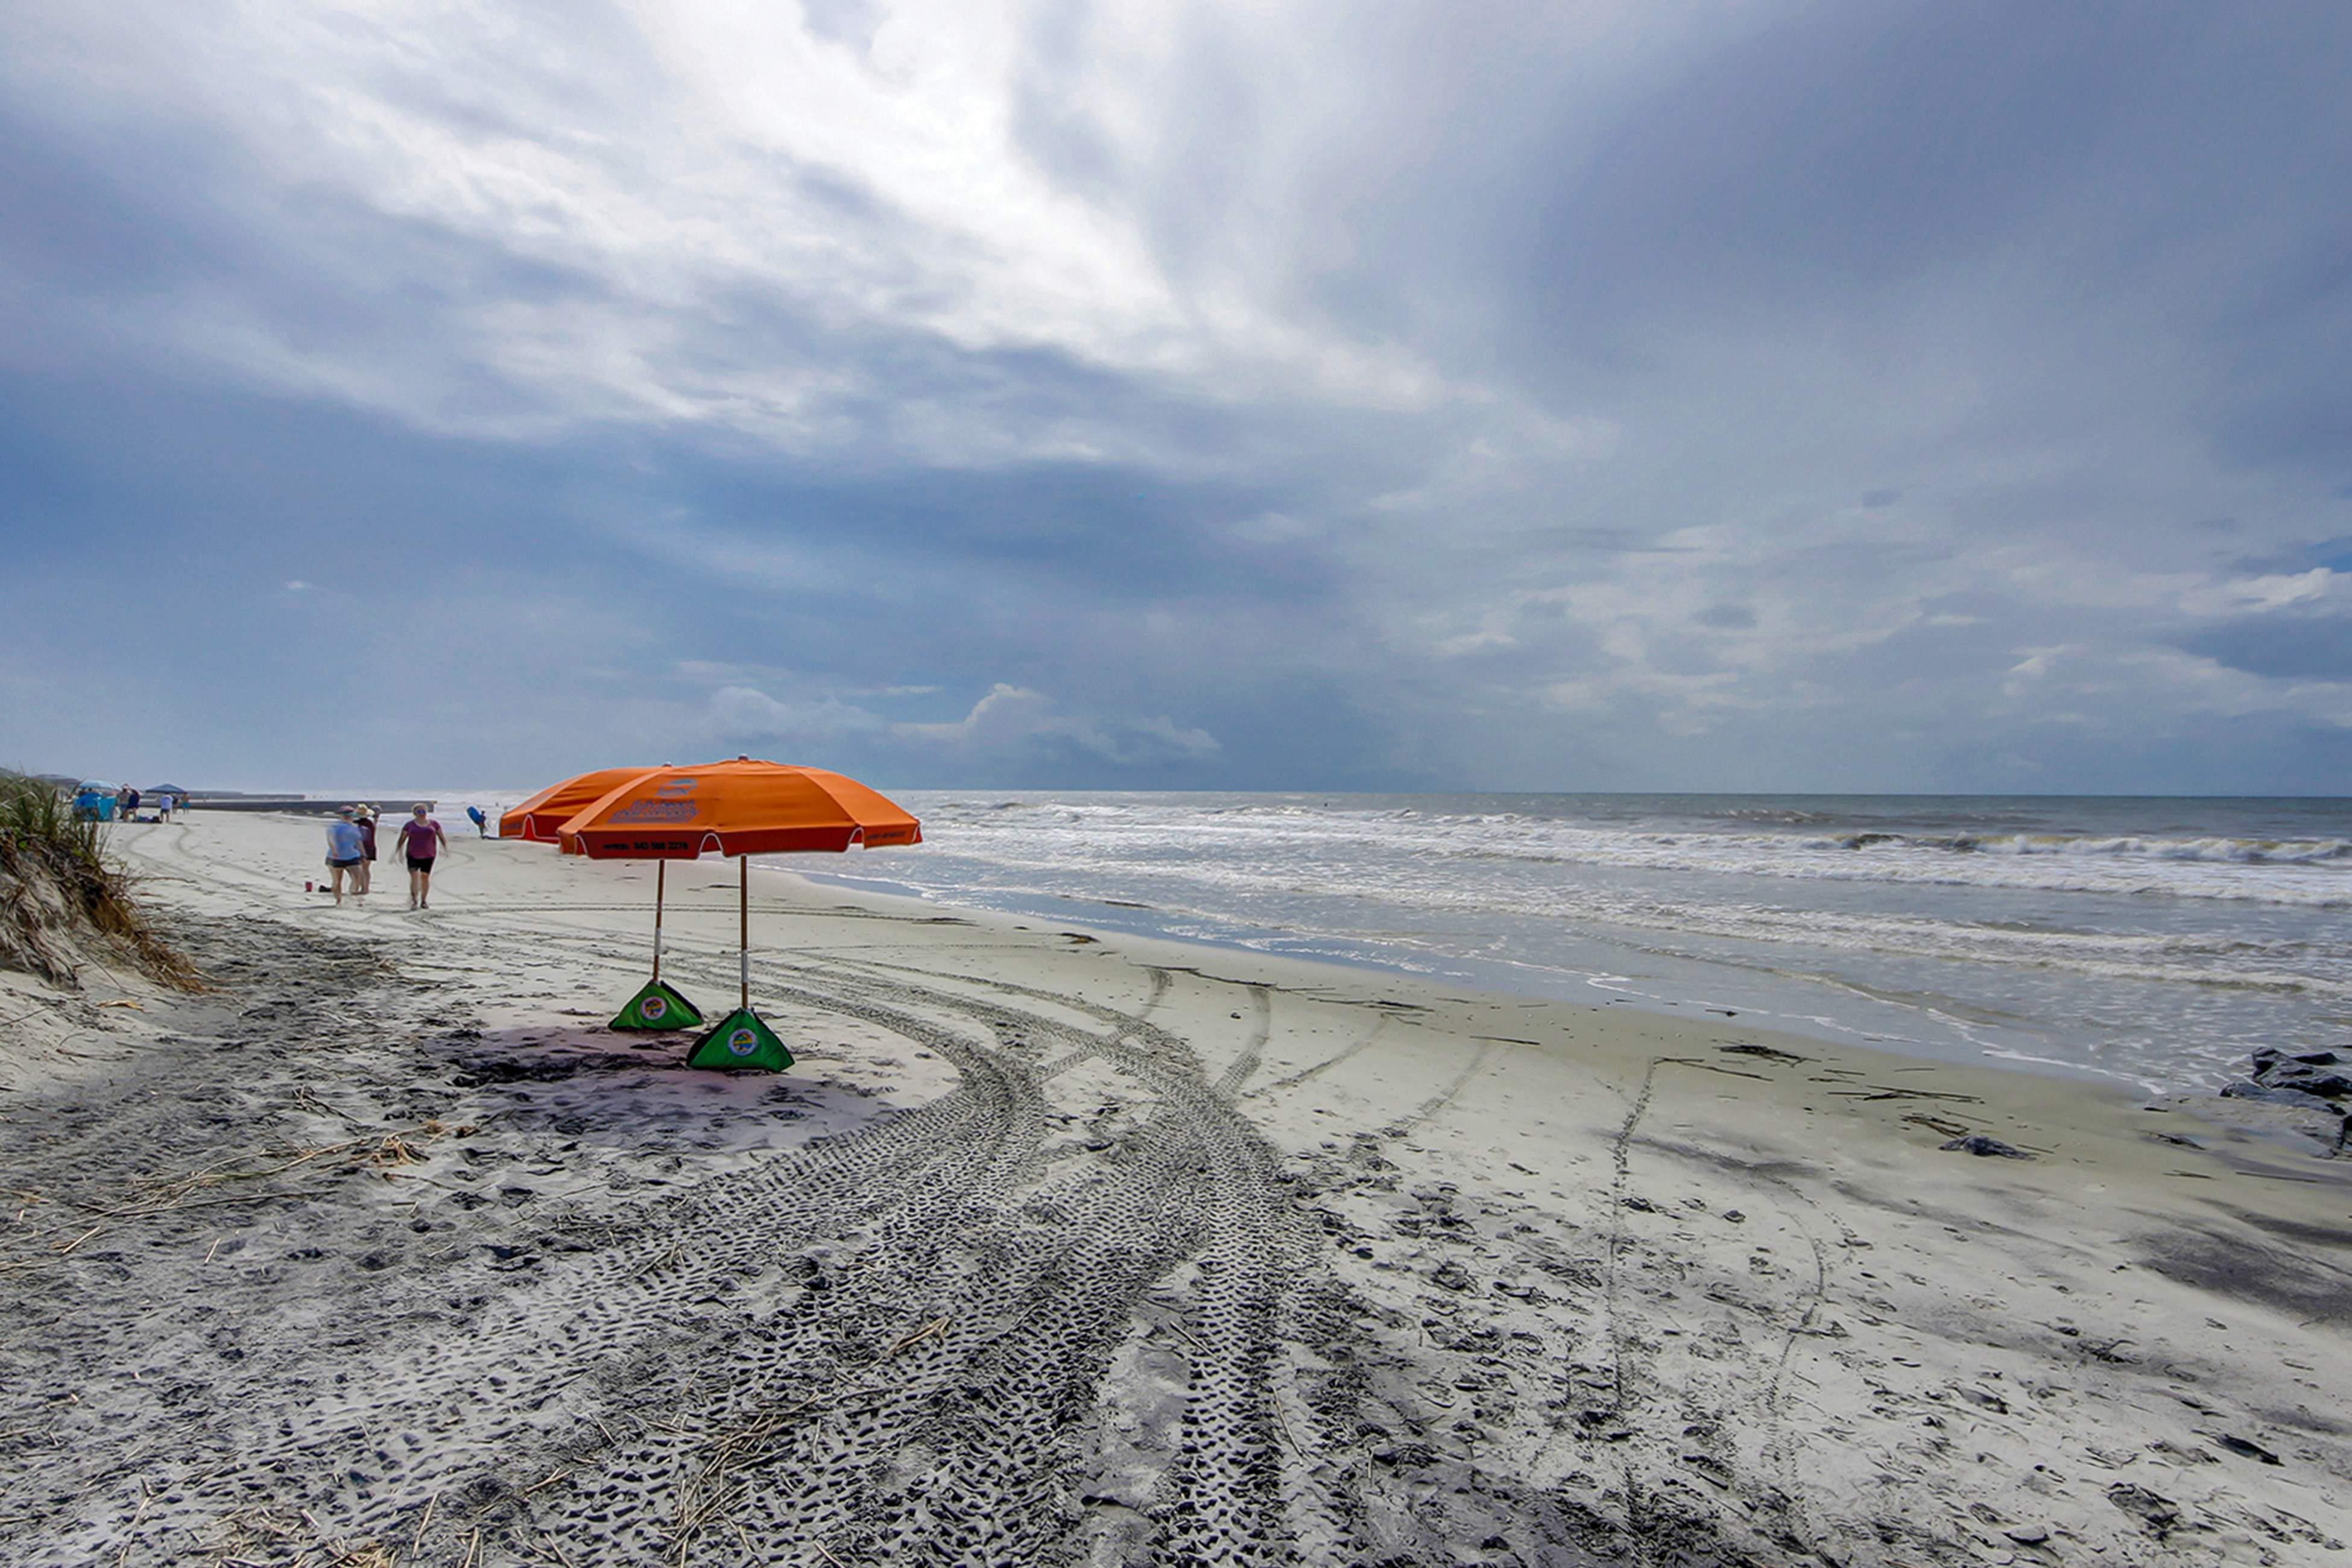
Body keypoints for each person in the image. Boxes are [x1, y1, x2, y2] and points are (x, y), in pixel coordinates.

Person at [396, 802, 446, 910]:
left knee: (425, 877)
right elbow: (402, 839)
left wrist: (445, 848)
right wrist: (398, 852)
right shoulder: (409, 825)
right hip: (413, 854)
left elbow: (441, 836)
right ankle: (415, 900)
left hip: (429, 854)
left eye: (423, 811)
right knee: (414, 876)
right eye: (419, 812)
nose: (422, 814)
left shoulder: (434, 824)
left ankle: (424, 900)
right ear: (415, 813)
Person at [324, 808, 365, 905]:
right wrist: (334, 850)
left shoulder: (356, 827)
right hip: (335, 858)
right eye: (345, 814)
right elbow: (331, 840)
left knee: (358, 877)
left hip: (353, 856)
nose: (348, 816)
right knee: (337, 881)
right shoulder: (335, 826)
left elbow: (358, 841)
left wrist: (363, 854)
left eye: (350, 814)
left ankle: (352, 895)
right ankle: (339, 900)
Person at [353, 805, 378, 895]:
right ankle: (365, 888)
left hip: (362, 848)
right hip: (371, 847)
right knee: (366, 869)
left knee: (360, 868)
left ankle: (363, 888)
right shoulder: (370, 824)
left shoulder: (357, 824)